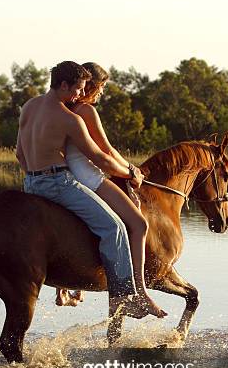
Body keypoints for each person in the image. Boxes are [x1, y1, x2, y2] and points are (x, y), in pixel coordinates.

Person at [16, 61, 162, 319]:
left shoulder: (29, 106)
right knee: (114, 227)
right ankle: (125, 295)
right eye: (77, 89)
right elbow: (102, 158)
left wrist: (34, 179)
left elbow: (19, 154)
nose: (79, 95)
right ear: (64, 84)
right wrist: (131, 172)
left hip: (30, 182)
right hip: (59, 182)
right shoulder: (69, 118)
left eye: (84, 89)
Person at [61, 62, 166, 318]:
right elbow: (106, 152)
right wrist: (132, 172)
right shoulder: (86, 110)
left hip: (68, 176)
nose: (102, 93)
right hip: (88, 178)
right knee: (139, 225)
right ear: (93, 85)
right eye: (103, 87)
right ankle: (139, 291)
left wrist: (128, 168)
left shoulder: (63, 108)